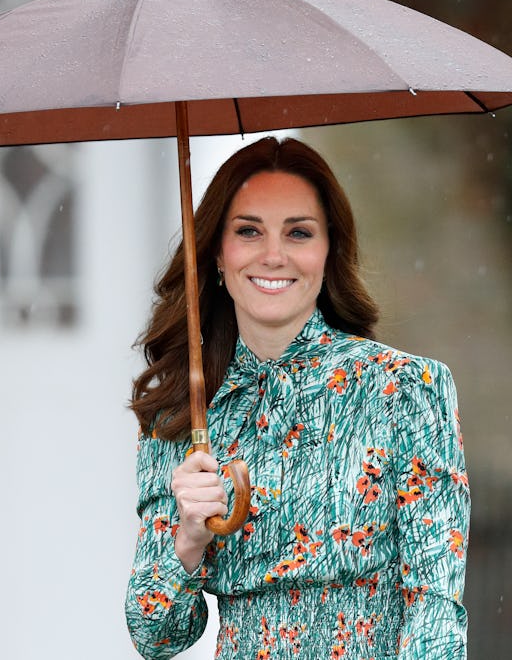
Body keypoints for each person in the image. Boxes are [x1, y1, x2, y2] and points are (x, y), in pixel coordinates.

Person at [125, 137, 470, 659]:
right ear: (218, 252)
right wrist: (188, 539)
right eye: (248, 231)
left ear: (328, 250)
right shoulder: (181, 416)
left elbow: (435, 609)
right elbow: (155, 637)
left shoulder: (404, 391)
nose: (273, 255)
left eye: (298, 232)